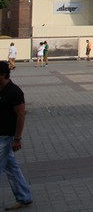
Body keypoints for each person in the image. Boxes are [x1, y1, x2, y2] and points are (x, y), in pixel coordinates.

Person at [0, 60, 34, 209]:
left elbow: (21, 116)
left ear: (2, 75)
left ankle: (24, 197)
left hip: (6, 138)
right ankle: (24, 197)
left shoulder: (14, 92)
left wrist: (17, 139)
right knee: (12, 168)